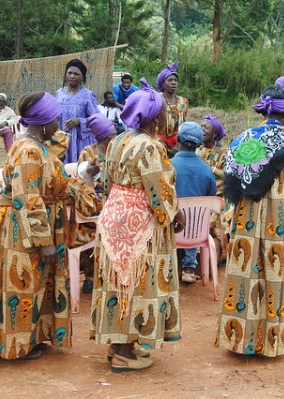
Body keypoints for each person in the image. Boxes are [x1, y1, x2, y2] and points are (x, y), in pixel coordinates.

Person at [0, 91, 101, 360]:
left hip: (34, 223)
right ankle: (17, 345)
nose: (58, 126)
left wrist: (87, 176)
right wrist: (44, 241)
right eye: (55, 121)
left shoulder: (37, 146)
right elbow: (28, 199)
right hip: (24, 229)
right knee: (23, 285)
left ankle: (32, 337)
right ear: (43, 122)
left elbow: (53, 184)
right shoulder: (28, 151)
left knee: (36, 284)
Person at [90, 78, 185, 373]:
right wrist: (174, 214)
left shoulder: (118, 139)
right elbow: (158, 190)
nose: (164, 117)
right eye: (161, 113)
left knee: (118, 280)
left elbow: (106, 181)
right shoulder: (149, 146)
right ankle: (123, 352)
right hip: (138, 223)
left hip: (113, 217)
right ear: (155, 116)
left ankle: (119, 344)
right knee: (136, 282)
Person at [215, 85, 284, 357]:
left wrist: (229, 222)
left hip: (245, 217)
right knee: (277, 279)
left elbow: (228, 185)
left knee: (245, 277)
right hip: (283, 221)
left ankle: (239, 341)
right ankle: (270, 343)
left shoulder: (242, 139)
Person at [171, 122, 216, 283]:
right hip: (197, 234)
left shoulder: (168, 165)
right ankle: (189, 267)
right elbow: (211, 199)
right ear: (199, 144)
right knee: (195, 217)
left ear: (178, 140)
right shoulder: (206, 169)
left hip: (171, 231)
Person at [76, 113, 117, 293]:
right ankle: (91, 276)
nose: (115, 138)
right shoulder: (88, 152)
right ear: (102, 137)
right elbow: (83, 181)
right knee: (90, 226)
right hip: (93, 200)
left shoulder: (117, 151)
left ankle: (111, 272)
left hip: (114, 199)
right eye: (112, 136)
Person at [197, 114, 228, 261]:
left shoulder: (223, 152)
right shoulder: (198, 151)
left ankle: (215, 256)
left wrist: (211, 170)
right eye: (201, 126)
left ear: (214, 133)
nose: (202, 129)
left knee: (214, 229)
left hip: (218, 196)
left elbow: (228, 174)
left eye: (206, 127)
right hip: (200, 196)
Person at [55, 58, 98, 163]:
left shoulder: (88, 95)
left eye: (76, 74)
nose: (72, 76)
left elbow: (96, 120)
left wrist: (80, 121)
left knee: (78, 171)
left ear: (82, 77)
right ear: (65, 74)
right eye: (69, 73)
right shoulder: (59, 93)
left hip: (80, 141)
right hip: (61, 139)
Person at [156, 62, 189, 157]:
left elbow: (184, 124)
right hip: (158, 141)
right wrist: (159, 142)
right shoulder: (157, 99)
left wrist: (179, 143)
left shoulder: (184, 101)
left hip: (178, 142)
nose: (173, 82)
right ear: (162, 83)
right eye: (169, 80)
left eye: (175, 80)